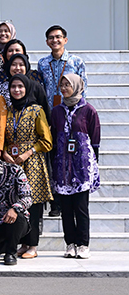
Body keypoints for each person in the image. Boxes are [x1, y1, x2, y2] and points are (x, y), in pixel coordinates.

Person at [49, 73, 101, 259]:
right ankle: (70, 243)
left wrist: (93, 168)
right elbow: (53, 139)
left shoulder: (88, 110)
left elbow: (95, 141)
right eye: (62, 85)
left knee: (81, 208)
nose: (64, 88)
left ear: (78, 86)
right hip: (62, 166)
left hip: (82, 167)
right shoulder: (56, 111)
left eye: (68, 85)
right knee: (66, 209)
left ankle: (83, 244)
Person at [4, 74, 53, 259]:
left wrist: (28, 152)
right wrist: (5, 153)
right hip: (12, 163)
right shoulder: (7, 110)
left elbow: (47, 141)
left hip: (32, 163)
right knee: (17, 202)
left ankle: (33, 245)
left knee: (32, 204)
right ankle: (22, 243)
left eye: (20, 87)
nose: (17, 90)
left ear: (27, 88)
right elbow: (3, 135)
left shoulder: (36, 110)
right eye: (13, 87)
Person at [37, 25, 88, 110]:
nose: (54, 40)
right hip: (49, 109)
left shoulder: (77, 62)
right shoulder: (42, 63)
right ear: (47, 42)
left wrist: (81, 109)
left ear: (65, 40)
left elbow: (83, 87)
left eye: (58, 37)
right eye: (51, 38)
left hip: (71, 109)